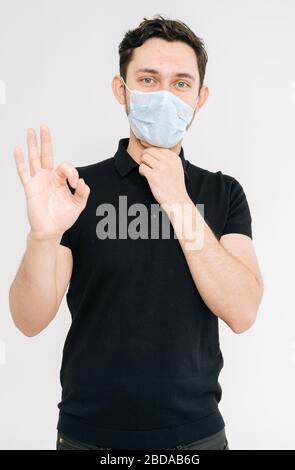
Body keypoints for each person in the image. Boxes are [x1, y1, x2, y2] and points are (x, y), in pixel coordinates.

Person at [9, 15, 264, 450]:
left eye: (181, 83)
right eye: (148, 79)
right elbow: (28, 320)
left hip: (195, 438)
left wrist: (178, 200)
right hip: (88, 437)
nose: (165, 95)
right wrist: (43, 237)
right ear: (120, 89)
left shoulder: (223, 193)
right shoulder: (76, 192)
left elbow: (243, 312)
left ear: (200, 98)